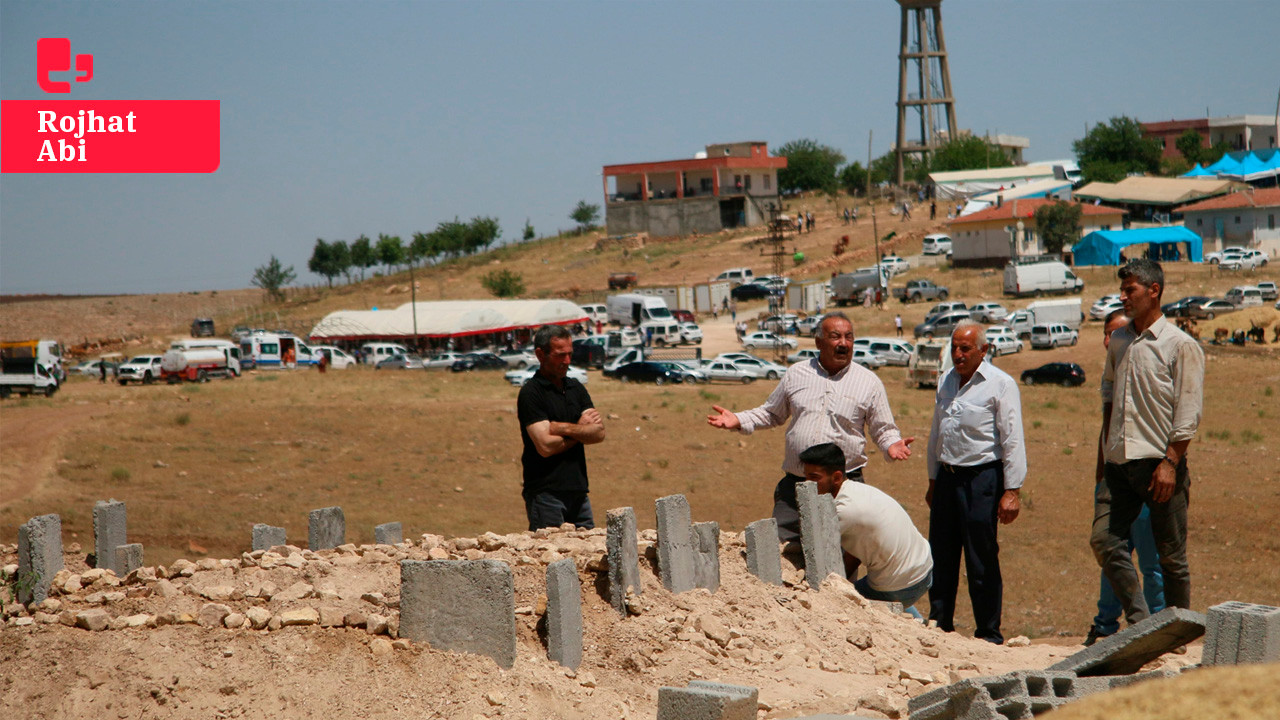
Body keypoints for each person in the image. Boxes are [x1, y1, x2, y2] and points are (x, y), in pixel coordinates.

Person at [706, 312, 914, 543]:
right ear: (818, 342)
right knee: (781, 551)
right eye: (835, 337)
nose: (843, 343)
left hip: (843, 488)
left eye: (849, 337)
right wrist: (739, 419)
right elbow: (771, 413)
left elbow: (883, 428)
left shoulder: (869, 382)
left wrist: (891, 444)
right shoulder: (797, 373)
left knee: (840, 556)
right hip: (796, 485)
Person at [1096, 259, 1203, 627]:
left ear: (1153, 290)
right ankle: (1142, 624)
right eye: (1122, 290)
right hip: (1118, 464)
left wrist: (1170, 464)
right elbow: (1108, 390)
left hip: (1159, 464)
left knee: (1171, 557)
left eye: (1131, 290)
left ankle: (1179, 633)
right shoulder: (1121, 340)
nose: (1123, 297)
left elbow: (1188, 413)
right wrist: (1107, 447)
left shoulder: (1179, 345)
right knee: (1104, 541)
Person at [926, 322, 1026, 644]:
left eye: (966, 348)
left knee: (980, 557)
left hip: (982, 478)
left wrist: (1012, 490)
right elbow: (936, 433)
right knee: (940, 554)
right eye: (954, 347)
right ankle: (940, 626)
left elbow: (1012, 439)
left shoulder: (1000, 384)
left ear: (983, 351)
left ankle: (988, 633)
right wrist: (932, 479)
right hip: (946, 477)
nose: (958, 354)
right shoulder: (945, 381)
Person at [1086, 310, 1164, 646]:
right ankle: (1105, 625)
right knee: (1111, 555)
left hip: (1144, 484)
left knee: (1151, 561)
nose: (1108, 340)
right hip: (1112, 483)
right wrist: (1099, 477)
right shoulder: (1113, 374)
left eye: (1114, 333)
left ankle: (1159, 626)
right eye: (1106, 333)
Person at [800, 442, 933, 618]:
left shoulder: (842, 511)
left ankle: (909, 620)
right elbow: (855, 552)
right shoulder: (856, 490)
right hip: (924, 569)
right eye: (805, 477)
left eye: (814, 478)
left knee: (835, 603)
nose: (806, 484)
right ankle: (915, 621)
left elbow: (815, 554)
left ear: (837, 477)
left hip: (900, 587)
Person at [517, 325, 606, 531]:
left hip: (579, 492)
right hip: (545, 493)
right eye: (560, 355)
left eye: (569, 354)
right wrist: (581, 431)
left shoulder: (576, 388)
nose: (567, 361)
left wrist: (562, 428)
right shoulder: (531, 393)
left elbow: (599, 433)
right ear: (540, 354)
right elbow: (545, 446)